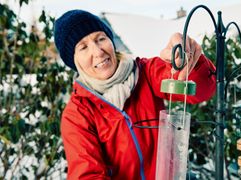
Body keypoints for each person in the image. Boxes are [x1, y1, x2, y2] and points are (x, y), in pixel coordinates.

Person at [54, 9, 216, 180]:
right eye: (83, 47)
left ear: (111, 40)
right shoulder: (78, 114)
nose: (98, 51)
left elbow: (202, 89)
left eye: (101, 38)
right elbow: (87, 175)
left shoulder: (145, 73)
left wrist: (189, 62)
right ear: (74, 61)